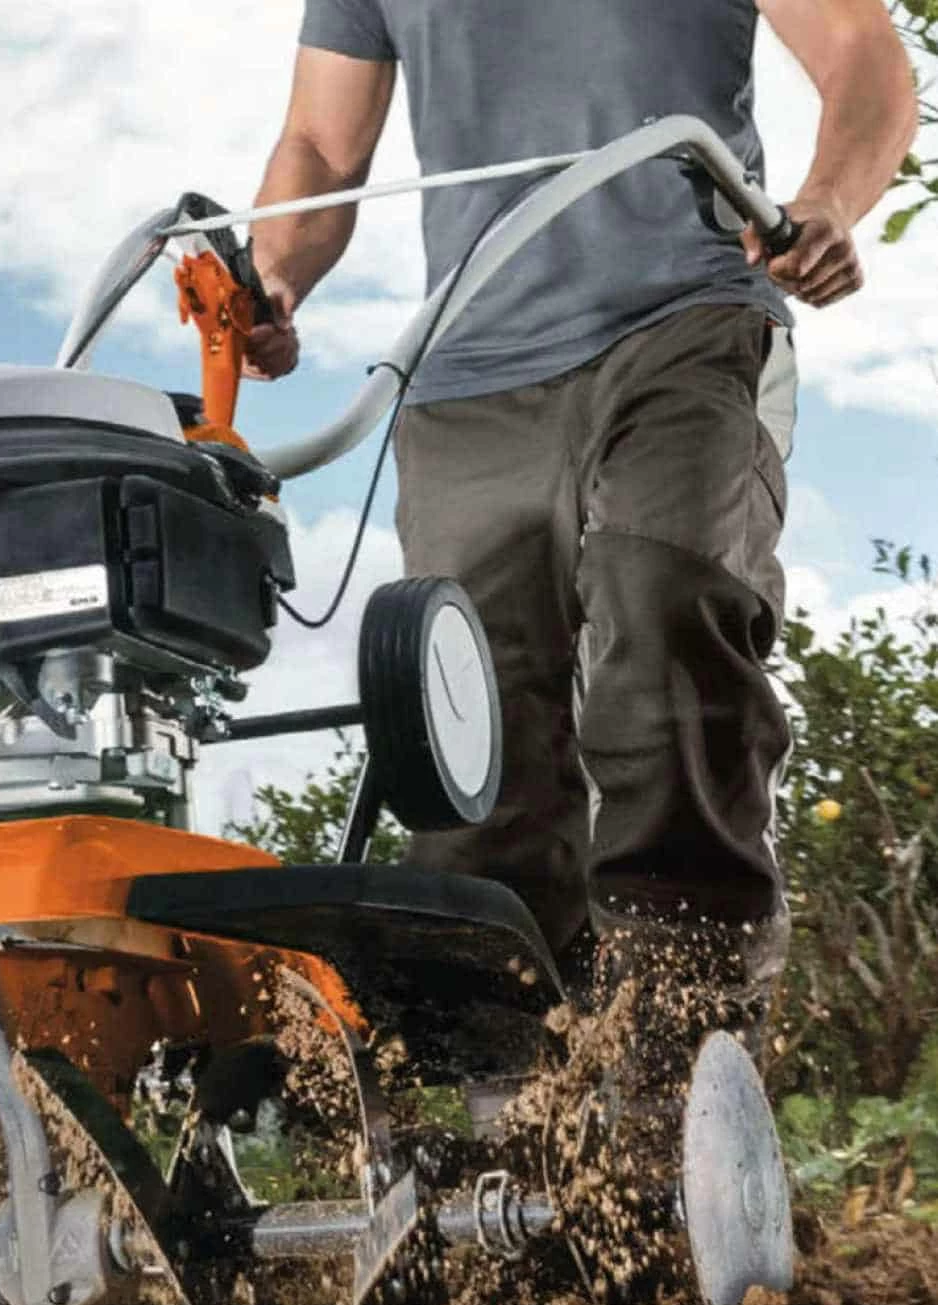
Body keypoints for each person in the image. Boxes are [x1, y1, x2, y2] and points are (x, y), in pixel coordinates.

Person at [243, 1, 917, 998]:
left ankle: (681, 1005)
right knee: (474, 736)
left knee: (664, 608)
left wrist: (826, 200)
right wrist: (268, 276)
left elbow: (861, 51)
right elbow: (319, 144)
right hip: (465, 372)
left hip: (684, 316)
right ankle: (505, 1057)